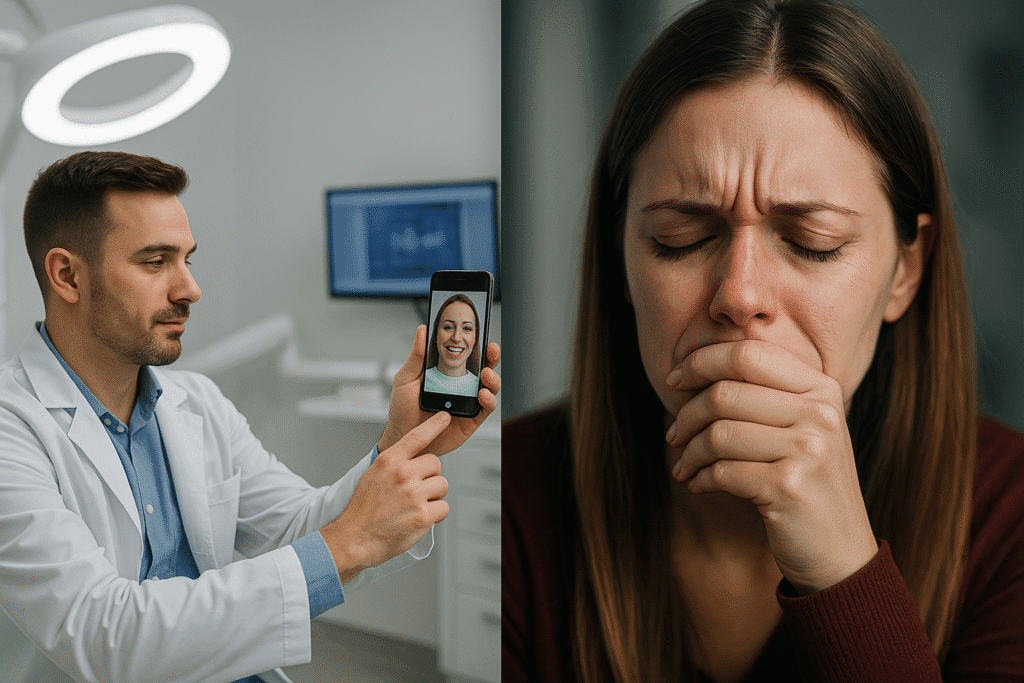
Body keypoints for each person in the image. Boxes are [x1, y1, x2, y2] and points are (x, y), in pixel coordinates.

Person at [502, 0, 1024, 681]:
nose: (740, 294)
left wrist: (843, 569)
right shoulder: (512, 495)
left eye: (814, 243)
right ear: (619, 257)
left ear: (906, 268)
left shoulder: (1010, 515)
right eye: (679, 240)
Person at [0, 151, 501, 683]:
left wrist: (401, 443)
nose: (189, 289)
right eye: (154, 261)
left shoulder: (197, 402)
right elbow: (106, 634)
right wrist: (347, 543)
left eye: (187, 259)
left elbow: (294, 525)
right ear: (66, 275)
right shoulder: (14, 429)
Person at [423, 293, 481, 397]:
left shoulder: (480, 389)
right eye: (448, 327)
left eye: (467, 328)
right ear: (436, 335)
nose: (456, 338)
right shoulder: (419, 382)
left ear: (475, 339)